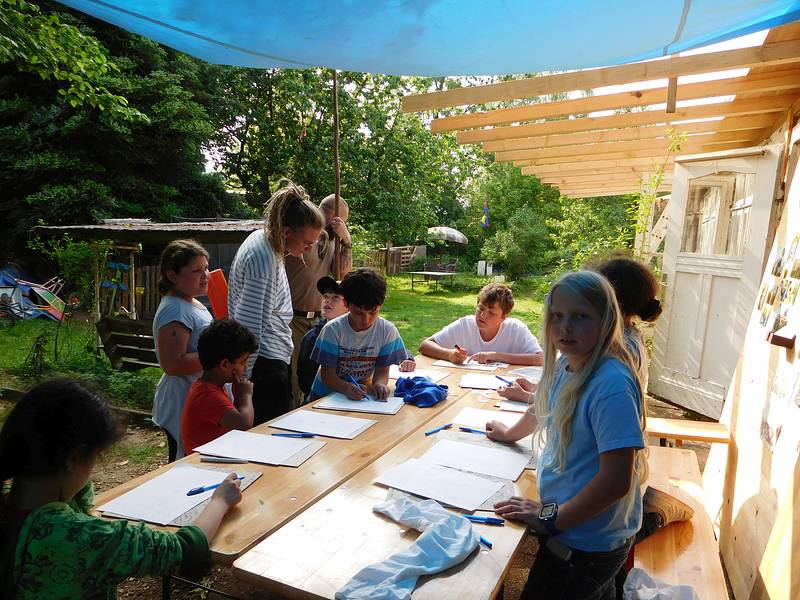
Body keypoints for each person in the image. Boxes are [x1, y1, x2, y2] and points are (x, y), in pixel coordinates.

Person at [0, 379, 242, 599]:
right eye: (96, 456)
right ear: (73, 458)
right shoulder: (87, 538)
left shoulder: (12, 511)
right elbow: (186, 550)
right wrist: (219, 501)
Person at [487, 271, 648, 600]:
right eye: (557, 316)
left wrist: (549, 517)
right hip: (574, 530)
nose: (565, 327)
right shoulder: (569, 364)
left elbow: (616, 481)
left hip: (585, 544)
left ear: (606, 321)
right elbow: (545, 404)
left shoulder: (610, 385)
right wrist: (510, 433)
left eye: (580, 317)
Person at [593, 256, 693, 595]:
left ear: (608, 300)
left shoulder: (615, 351)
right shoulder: (627, 336)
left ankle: (652, 515)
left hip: (616, 477)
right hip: (624, 468)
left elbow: (613, 477)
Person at [228, 180, 325, 425]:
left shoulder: (264, 241)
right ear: (286, 232)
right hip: (264, 368)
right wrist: (244, 376)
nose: (307, 250)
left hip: (268, 362)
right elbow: (249, 325)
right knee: (269, 440)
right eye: (307, 243)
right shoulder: (265, 259)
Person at [285, 194, 354, 408]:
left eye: (343, 222)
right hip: (294, 318)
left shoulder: (335, 242)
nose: (336, 225)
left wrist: (347, 241)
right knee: (293, 377)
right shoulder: (306, 238)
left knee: (316, 375)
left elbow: (342, 274)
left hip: (321, 319)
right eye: (334, 220)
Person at [308, 268, 410, 402]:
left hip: (359, 399)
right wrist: (345, 388)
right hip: (324, 398)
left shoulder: (387, 331)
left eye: (373, 312)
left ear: (380, 305)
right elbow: (328, 375)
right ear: (346, 304)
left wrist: (380, 384)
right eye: (359, 313)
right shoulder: (332, 330)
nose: (366, 320)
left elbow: (382, 370)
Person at [152, 239, 213, 461]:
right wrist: (219, 355)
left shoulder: (190, 302)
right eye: (197, 271)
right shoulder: (175, 310)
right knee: (183, 463)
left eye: (206, 268)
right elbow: (173, 364)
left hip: (193, 396)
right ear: (172, 275)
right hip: (181, 399)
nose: (206, 275)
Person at [181, 318, 259, 454]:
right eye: (242, 362)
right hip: (204, 467)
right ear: (224, 364)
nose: (245, 367)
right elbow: (243, 424)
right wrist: (245, 395)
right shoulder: (207, 394)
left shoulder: (210, 387)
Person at [419, 283, 543, 366]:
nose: (482, 316)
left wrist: (496, 356)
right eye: (480, 309)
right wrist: (449, 354)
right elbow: (425, 345)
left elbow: (541, 359)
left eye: (491, 313)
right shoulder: (465, 325)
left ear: (504, 317)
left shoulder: (516, 329)